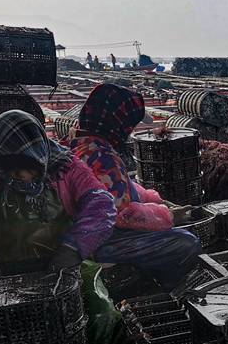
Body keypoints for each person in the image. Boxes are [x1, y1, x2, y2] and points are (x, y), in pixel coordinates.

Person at [0, 110, 116, 278]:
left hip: (64, 268)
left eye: (31, 167)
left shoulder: (68, 168)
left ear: (41, 156)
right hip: (3, 272)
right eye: (13, 169)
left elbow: (101, 206)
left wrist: (74, 248)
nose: (23, 176)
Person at [67, 83, 204, 289]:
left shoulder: (81, 143)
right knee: (185, 243)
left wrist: (156, 201)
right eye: (129, 125)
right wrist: (168, 216)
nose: (129, 131)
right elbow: (125, 215)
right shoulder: (102, 157)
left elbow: (121, 187)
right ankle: (167, 291)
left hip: (87, 234)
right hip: (99, 243)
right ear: (117, 122)